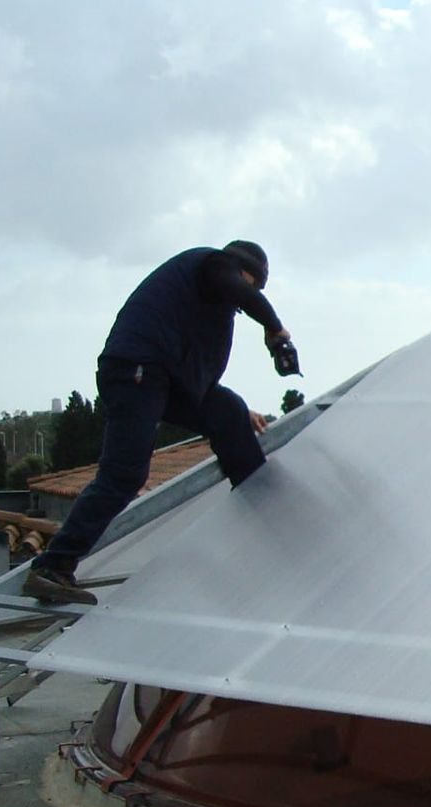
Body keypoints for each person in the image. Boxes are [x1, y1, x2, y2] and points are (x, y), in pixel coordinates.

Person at [22, 240, 299, 605]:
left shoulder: (206, 292)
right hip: (137, 374)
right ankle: (53, 566)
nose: (246, 299)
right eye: (252, 287)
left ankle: (263, 507)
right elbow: (237, 290)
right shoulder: (214, 266)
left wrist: (225, 404)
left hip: (160, 378)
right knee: (124, 475)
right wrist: (275, 329)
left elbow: (190, 361)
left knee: (228, 411)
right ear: (243, 272)